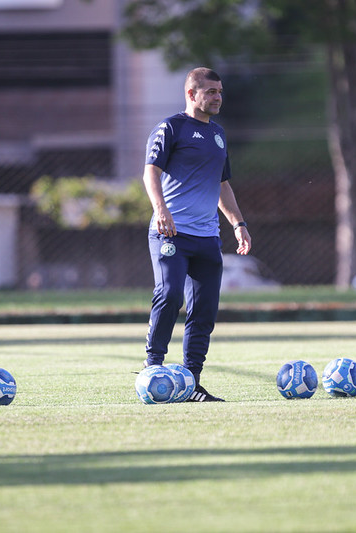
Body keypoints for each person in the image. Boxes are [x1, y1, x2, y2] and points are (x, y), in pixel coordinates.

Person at [141, 67, 251, 402]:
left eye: (220, 92)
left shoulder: (218, 135)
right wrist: (161, 211)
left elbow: (221, 185)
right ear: (192, 94)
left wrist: (238, 224)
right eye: (211, 92)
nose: (218, 97)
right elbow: (150, 173)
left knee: (203, 311)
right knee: (171, 294)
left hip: (207, 238)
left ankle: (191, 382)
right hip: (171, 233)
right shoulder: (171, 127)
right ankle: (153, 368)